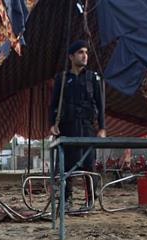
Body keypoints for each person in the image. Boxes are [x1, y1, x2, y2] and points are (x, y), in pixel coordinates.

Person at [48, 40, 106, 208]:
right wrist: (52, 124)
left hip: (87, 127)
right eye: (80, 52)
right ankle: (66, 200)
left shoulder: (93, 78)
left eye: (86, 52)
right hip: (67, 127)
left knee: (89, 165)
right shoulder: (62, 78)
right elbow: (53, 104)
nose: (85, 55)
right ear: (71, 57)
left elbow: (100, 105)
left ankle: (90, 201)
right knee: (66, 166)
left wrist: (102, 128)